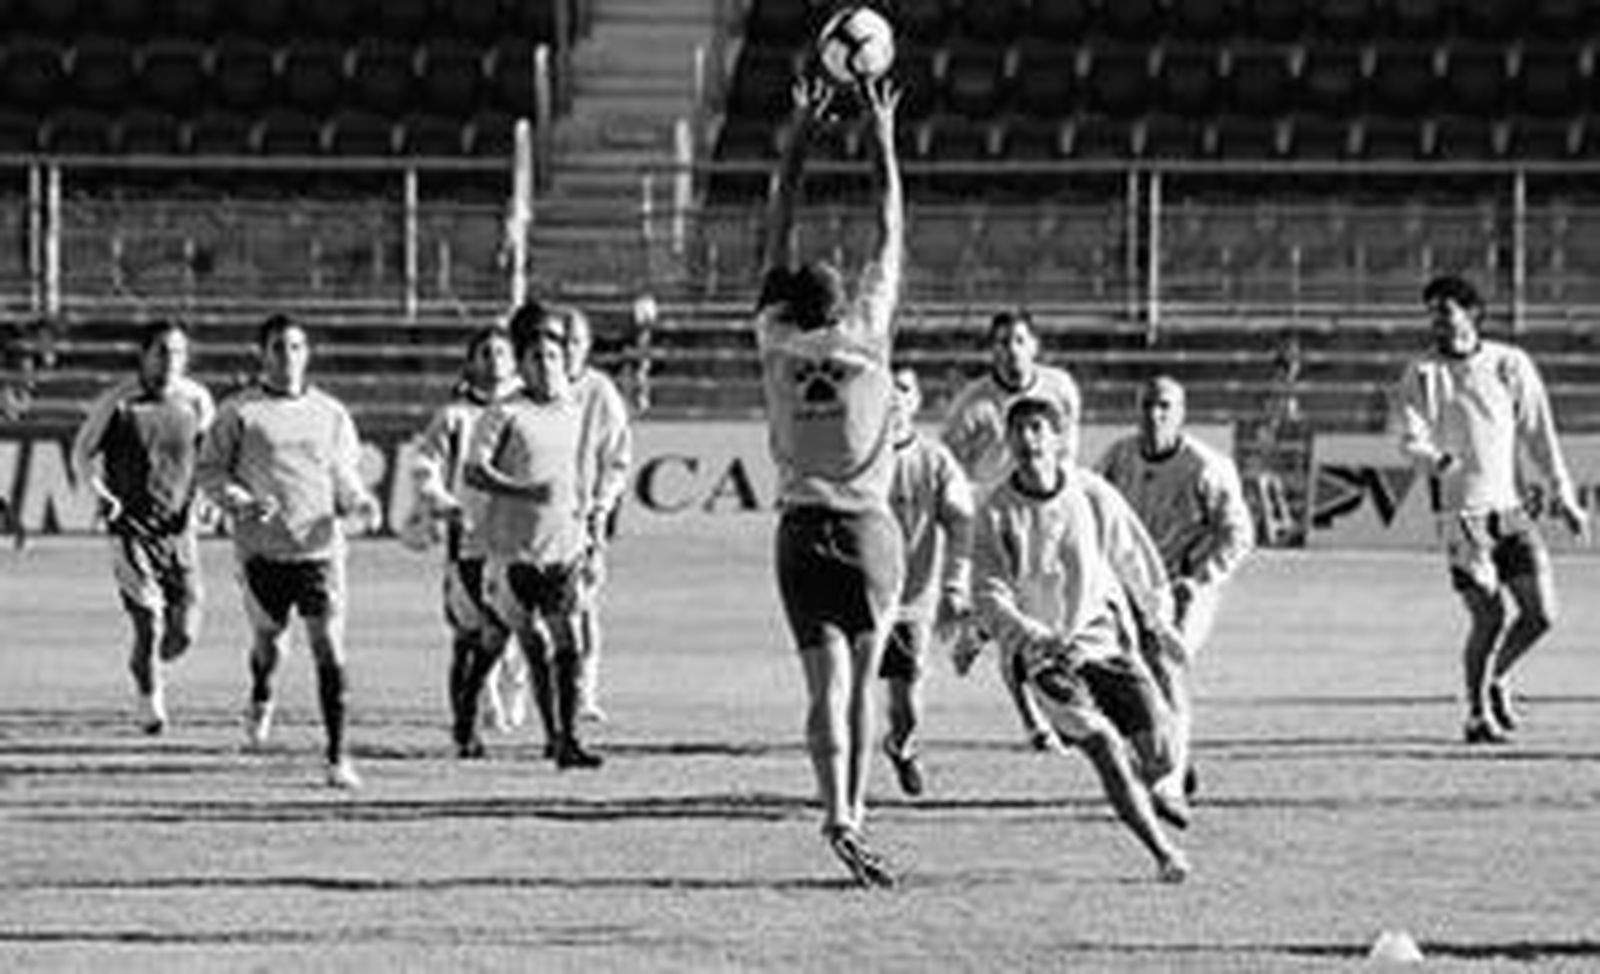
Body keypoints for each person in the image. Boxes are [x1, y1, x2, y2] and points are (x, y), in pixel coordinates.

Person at [755, 71, 904, 887]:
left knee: (825, 683)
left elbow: (774, 230)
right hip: (869, 527)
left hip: (800, 531)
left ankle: (835, 812)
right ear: (844, 304)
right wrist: (879, 135)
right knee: (865, 684)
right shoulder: (871, 337)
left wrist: (800, 138)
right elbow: (890, 224)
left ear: (791, 304)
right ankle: (859, 809)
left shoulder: (775, 343)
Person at [968, 395, 1191, 884]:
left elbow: (1135, 556)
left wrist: (1161, 623)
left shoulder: (1091, 493)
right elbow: (987, 591)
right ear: (1008, 441)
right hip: (1046, 658)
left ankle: (1148, 784)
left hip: (1104, 642)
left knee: (1164, 753)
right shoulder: (996, 512)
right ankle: (1163, 852)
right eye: (1020, 430)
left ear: (1058, 438)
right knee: (1104, 745)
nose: (1029, 440)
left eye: (1038, 429)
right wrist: (1030, 634)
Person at [1392, 275, 1586, 744]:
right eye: (1432, 311)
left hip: (1510, 510)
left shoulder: (1509, 363)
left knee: (1542, 615)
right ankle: (1477, 715)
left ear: (1471, 313)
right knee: (1489, 616)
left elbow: (1540, 433)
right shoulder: (1421, 373)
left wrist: (1565, 495)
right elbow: (1408, 435)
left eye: (1445, 309)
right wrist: (1433, 459)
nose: (1437, 320)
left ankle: (1496, 677)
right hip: (1462, 516)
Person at [196, 314, 379, 789]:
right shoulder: (239, 412)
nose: (288, 356)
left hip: (319, 551)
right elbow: (211, 472)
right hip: (261, 553)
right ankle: (261, 696)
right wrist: (240, 501)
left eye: (296, 346)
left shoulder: (331, 413)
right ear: (262, 354)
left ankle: (339, 757)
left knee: (328, 647)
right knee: (270, 645)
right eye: (278, 347)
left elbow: (344, 472)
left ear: (308, 353)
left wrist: (359, 500)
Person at [1096, 375, 1254, 796]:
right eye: (1148, 405)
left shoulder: (1207, 467)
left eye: (1165, 406)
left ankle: (1169, 778)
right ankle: (1168, 758)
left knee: (1166, 667)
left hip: (1187, 589)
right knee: (1128, 677)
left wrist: (1199, 578)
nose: (1154, 414)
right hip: (1131, 587)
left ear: (1182, 414)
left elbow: (1239, 534)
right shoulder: (1117, 458)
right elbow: (1090, 514)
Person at [463, 302, 600, 770]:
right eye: (537, 358)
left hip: (561, 550)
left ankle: (565, 739)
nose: (547, 366)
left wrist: (587, 531)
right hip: (512, 553)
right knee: (513, 642)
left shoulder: (574, 410)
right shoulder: (505, 414)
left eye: (554, 357)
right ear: (522, 365)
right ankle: (468, 710)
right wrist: (521, 490)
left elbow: (579, 476)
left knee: (567, 644)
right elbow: (474, 471)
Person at [942, 309, 1083, 752]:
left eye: (1019, 340)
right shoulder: (973, 404)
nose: (1011, 351)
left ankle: (977, 630)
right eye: (1001, 342)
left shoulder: (1060, 388)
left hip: (1050, 515)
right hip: (999, 523)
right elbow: (948, 466)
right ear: (991, 350)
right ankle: (1036, 722)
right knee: (1018, 622)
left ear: (1035, 345)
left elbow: (1068, 452)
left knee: (1051, 615)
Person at [72, 319, 214, 734]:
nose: (171, 361)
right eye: (162, 352)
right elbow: (82, 452)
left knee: (183, 635)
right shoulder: (118, 402)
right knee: (148, 623)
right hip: (130, 528)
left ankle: (145, 663)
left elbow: (210, 457)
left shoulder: (197, 400)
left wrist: (203, 500)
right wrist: (100, 493)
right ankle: (150, 703)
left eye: (179, 353)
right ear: (144, 355)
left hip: (180, 530)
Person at [410, 323, 523, 758]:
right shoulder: (455, 417)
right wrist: (442, 502)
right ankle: (468, 723)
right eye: (486, 353)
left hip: (518, 539)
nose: (495, 360)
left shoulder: (527, 413)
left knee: (513, 626)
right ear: (472, 362)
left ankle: (507, 692)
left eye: (502, 352)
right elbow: (425, 467)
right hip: (469, 542)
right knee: (469, 634)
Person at [881, 365, 973, 797]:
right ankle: (842, 792)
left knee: (906, 706)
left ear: (916, 400)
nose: (893, 397)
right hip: (857, 597)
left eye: (902, 388)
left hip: (910, 600)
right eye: (885, 388)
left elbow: (960, 523)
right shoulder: (852, 457)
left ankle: (901, 745)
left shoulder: (935, 461)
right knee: (842, 692)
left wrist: (955, 585)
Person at [555, 304, 633, 724]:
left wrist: (601, 507)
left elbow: (617, 456)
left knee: (582, 605)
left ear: (587, 347)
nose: (567, 350)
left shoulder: (600, 392)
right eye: (560, 341)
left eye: (575, 342)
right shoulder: (526, 388)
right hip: (532, 518)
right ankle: (511, 693)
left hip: (581, 517)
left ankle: (584, 690)